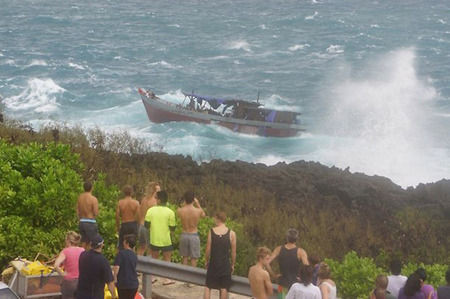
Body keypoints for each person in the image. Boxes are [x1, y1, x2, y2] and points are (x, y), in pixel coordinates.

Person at [144, 190, 176, 285]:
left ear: (159, 200)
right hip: (166, 239)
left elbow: (146, 225)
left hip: (154, 238)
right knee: (167, 259)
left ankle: (153, 277)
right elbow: (173, 227)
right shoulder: (170, 212)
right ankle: (166, 279)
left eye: (156, 198)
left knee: (154, 259)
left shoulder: (151, 210)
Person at [266, 228, 309, 298]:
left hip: (282, 283)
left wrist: (273, 275)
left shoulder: (279, 249)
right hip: (296, 284)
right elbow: (307, 268)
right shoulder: (301, 252)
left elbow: (267, 263)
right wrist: (302, 278)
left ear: (287, 238)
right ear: (297, 239)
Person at [204, 212, 237, 299]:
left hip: (213, 263)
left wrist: (206, 261)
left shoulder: (211, 231)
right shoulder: (232, 233)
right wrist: (233, 264)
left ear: (218, 219)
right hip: (225, 264)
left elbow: (208, 249)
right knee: (223, 288)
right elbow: (233, 252)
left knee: (208, 286)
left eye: (215, 218)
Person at [76, 234, 116, 299]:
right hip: (95, 295)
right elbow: (110, 282)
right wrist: (114, 296)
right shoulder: (103, 261)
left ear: (91, 244)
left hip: (81, 294)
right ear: (102, 245)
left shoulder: (83, 255)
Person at [177, 191, 206, 267]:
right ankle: (192, 277)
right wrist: (198, 204)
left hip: (184, 234)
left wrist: (185, 203)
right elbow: (204, 215)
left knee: (184, 257)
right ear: (193, 199)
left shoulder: (180, 210)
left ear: (185, 199)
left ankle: (183, 276)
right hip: (194, 235)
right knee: (194, 258)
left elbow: (180, 209)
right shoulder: (198, 211)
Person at [54, 231, 85, 299]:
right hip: (80, 280)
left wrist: (62, 274)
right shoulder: (82, 250)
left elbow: (56, 265)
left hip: (69, 281)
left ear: (68, 240)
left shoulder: (65, 251)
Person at [137, 181, 160, 256]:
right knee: (150, 249)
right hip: (148, 227)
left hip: (141, 226)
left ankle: (137, 264)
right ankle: (147, 266)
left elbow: (139, 213)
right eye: (158, 190)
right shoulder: (154, 202)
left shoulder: (144, 200)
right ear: (154, 191)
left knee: (141, 247)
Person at [113, 234, 139, 299]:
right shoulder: (134, 256)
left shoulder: (121, 254)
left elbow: (117, 267)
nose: (123, 243)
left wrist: (115, 279)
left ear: (127, 243)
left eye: (124, 242)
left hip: (123, 284)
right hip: (133, 284)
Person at [116, 185, 139, 250]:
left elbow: (117, 216)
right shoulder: (136, 203)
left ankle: (121, 258)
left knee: (121, 244)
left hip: (124, 224)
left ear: (124, 192)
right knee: (132, 245)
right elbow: (138, 216)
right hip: (133, 224)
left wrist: (117, 227)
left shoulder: (120, 203)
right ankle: (132, 258)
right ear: (132, 192)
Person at [77, 181, 99, 249]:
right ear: (92, 188)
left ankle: (82, 257)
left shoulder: (80, 198)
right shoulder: (93, 199)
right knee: (91, 242)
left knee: (83, 242)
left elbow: (77, 210)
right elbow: (96, 213)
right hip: (90, 222)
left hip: (82, 221)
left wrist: (80, 219)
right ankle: (89, 258)